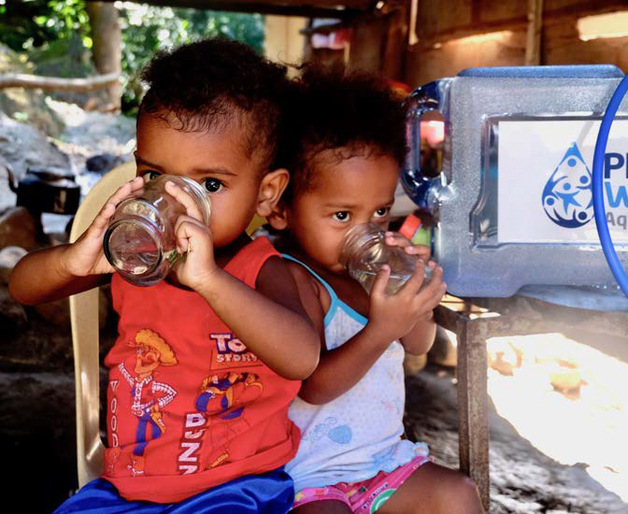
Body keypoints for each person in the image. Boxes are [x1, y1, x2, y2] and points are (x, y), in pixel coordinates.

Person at [9, 39, 319, 513]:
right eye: (156, 173)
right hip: (124, 491)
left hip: (233, 489)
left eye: (210, 185)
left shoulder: (264, 271)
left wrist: (211, 280)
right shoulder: (133, 256)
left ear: (266, 193)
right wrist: (74, 262)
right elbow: (24, 288)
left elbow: (301, 358)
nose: (177, 200)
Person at [267, 66, 485, 514]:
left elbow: (419, 344)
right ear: (282, 208)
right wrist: (381, 330)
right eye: (342, 215)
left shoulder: (372, 273)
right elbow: (314, 386)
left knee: (459, 494)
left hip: (385, 463)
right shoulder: (287, 277)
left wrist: (418, 299)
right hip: (309, 477)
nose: (365, 231)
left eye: (380, 211)